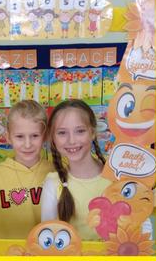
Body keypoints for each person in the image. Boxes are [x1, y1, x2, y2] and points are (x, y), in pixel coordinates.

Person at [0, 100, 53, 238]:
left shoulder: (55, 174)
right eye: (19, 136)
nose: (27, 144)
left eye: (35, 136)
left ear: (45, 136)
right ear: (8, 137)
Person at [40, 99, 109, 240]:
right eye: (62, 133)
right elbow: (48, 239)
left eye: (80, 131)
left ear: (92, 132)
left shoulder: (116, 176)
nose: (71, 140)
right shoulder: (53, 183)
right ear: (53, 138)